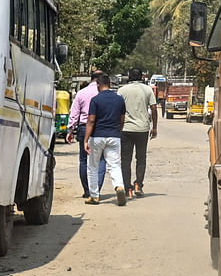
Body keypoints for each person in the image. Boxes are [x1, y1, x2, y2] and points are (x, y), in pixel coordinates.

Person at [82, 73, 128, 206]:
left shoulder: (95, 100)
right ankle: (119, 186)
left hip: (97, 136)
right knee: (114, 165)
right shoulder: (119, 99)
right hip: (114, 136)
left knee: (93, 166)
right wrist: (118, 130)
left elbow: (91, 121)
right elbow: (122, 118)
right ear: (110, 85)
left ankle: (94, 196)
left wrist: (86, 139)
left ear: (98, 85)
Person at [117, 67, 158, 198]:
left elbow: (118, 109)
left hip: (126, 129)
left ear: (129, 76)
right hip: (142, 129)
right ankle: (138, 185)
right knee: (141, 158)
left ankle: (127, 188)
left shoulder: (122, 90)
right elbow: (154, 108)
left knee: (125, 160)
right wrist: (155, 127)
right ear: (141, 77)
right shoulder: (147, 90)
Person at [67, 71, 103, 198]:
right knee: (100, 159)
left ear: (91, 79)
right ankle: (96, 189)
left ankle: (87, 190)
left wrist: (70, 130)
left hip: (83, 128)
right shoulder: (102, 93)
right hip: (100, 128)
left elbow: (74, 113)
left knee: (83, 160)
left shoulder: (81, 93)